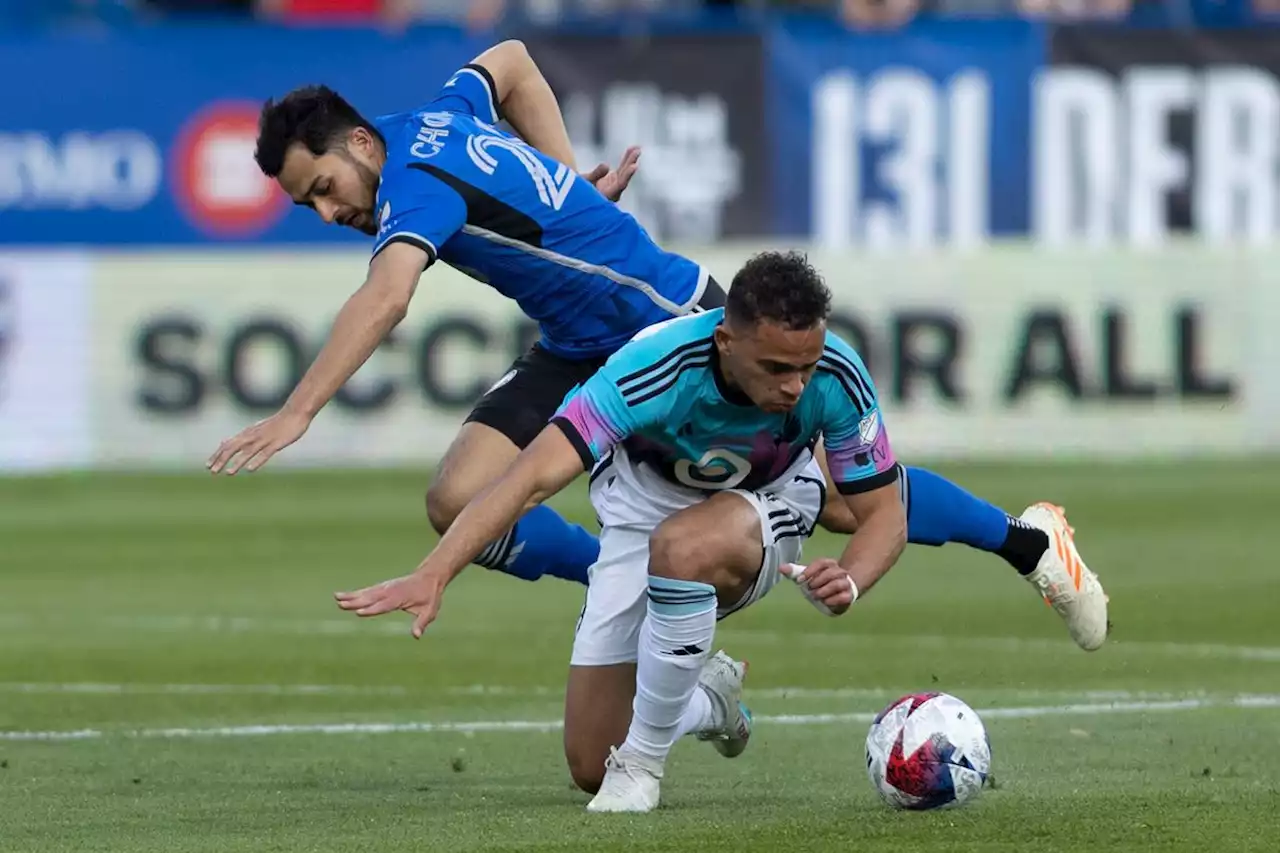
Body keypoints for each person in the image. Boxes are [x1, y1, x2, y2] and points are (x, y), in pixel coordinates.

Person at [205, 40, 1108, 653]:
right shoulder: (434, 119)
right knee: (458, 498)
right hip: (575, 341)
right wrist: (565, 184)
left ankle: (1029, 543)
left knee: (838, 501)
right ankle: (625, 590)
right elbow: (512, 62)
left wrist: (299, 408)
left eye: (325, 187)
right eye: (308, 204)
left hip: (667, 324)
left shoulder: (412, 188)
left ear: (360, 143)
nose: (330, 212)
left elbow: (387, 296)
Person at [335, 251, 913, 812]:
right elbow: (530, 477)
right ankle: (708, 702)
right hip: (641, 509)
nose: (795, 387)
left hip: (771, 499)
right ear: (725, 341)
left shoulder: (836, 374)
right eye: (776, 369)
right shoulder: (653, 367)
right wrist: (436, 571)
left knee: (683, 549)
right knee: (591, 763)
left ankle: (641, 767)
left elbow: (884, 513)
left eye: (805, 368)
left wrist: (852, 579)